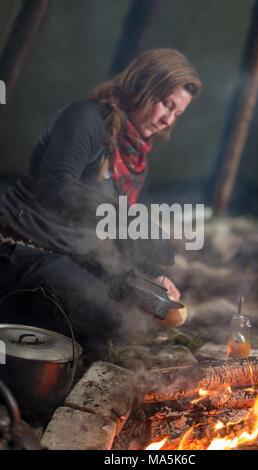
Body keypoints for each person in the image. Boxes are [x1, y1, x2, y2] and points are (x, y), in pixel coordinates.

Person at [0, 48, 201, 357]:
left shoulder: (133, 156)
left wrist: (154, 274)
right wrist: (127, 218)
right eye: (166, 104)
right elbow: (58, 185)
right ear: (142, 86)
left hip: (67, 254)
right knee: (112, 322)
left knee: (137, 312)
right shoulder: (85, 119)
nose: (167, 120)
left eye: (177, 114)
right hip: (19, 248)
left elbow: (117, 231)